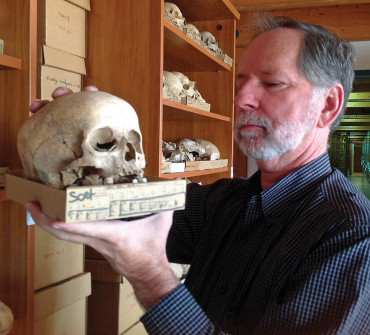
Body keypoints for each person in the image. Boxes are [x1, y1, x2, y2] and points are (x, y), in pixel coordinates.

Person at [26, 13, 370, 335]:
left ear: (327, 106)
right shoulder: (223, 203)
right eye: (241, 83)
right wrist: (64, 138)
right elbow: (127, 210)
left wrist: (150, 276)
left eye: (272, 83)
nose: (242, 99)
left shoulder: (353, 237)